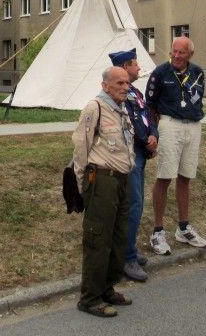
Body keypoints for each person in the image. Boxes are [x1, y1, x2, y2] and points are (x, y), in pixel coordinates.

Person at [72, 66, 136, 317]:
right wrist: (83, 186)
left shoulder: (122, 110)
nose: (125, 87)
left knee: (118, 238)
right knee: (97, 239)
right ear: (105, 85)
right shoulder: (94, 108)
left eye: (127, 83)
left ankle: (107, 289)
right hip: (101, 181)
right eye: (119, 83)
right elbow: (81, 147)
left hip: (121, 180)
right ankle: (90, 298)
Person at [145, 36, 206, 254]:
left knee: (185, 177)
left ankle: (183, 227)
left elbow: (197, 98)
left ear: (191, 54)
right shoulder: (160, 73)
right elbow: (150, 105)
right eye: (174, 51)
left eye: (182, 52)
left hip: (193, 125)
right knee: (164, 176)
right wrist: (153, 132)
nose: (177, 56)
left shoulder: (198, 72)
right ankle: (157, 231)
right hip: (169, 125)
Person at [108, 48, 158, 282]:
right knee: (132, 204)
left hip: (142, 150)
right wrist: (146, 141)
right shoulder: (118, 96)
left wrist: (154, 135)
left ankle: (129, 249)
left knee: (137, 203)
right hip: (130, 152)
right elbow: (129, 123)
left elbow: (147, 115)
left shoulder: (135, 92)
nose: (139, 68)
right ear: (125, 67)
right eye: (135, 64)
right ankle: (126, 257)